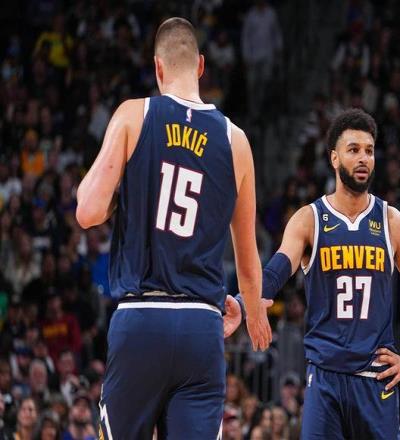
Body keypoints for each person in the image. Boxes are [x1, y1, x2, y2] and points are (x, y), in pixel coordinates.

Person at [76, 17, 271, 439]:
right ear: (201, 66)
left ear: (157, 67)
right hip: (202, 326)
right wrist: (253, 312)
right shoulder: (236, 141)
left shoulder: (135, 114)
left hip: (141, 319)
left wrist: (128, 191)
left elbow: (87, 212)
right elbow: (247, 259)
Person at [225, 108, 400, 439]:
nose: (363, 158)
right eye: (353, 150)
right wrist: (244, 303)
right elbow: (276, 272)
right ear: (334, 158)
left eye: (369, 151)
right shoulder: (309, 219)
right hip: (325, 379)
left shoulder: (391, 221)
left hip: (375, 381)